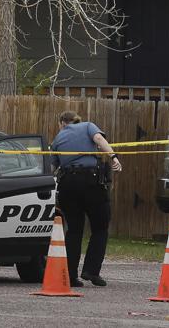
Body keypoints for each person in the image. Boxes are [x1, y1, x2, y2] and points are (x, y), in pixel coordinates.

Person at [50, 110, 122, 287]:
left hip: (68, 184)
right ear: (76, 121)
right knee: (100, 227)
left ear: (62, 123)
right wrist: (113, 157)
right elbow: (99, 140)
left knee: (74, 230)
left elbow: (52, 167)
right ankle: (91, 270)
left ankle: (71, 276)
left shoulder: (57, 139)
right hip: (91, 182)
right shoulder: (88, 126)